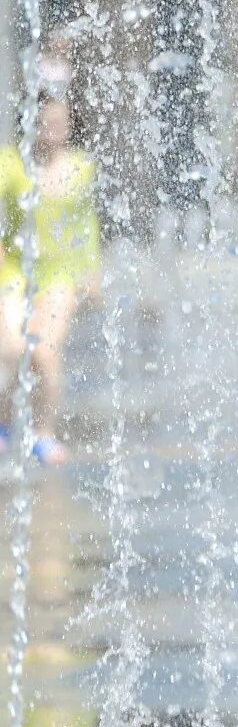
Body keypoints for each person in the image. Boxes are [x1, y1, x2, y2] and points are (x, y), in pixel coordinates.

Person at [0, 93, 102, 465]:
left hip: (61, 271)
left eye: (59, 122)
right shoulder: (11, 163)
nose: (52, 129)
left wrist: (92, 270)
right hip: (13, 267)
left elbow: (87, 222)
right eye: (45, 121)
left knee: (43, 352)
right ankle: (5, 422)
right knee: (12, 346)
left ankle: (43, 432)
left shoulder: (82, 166)